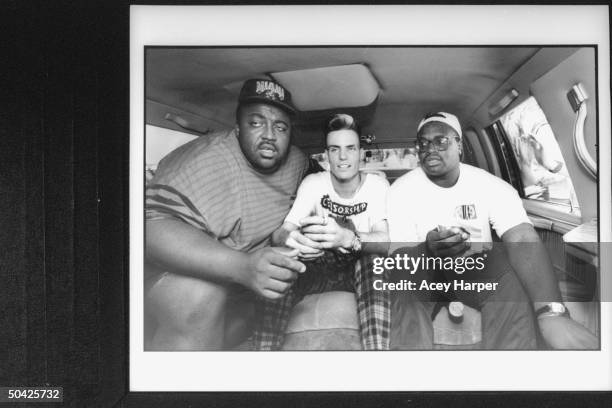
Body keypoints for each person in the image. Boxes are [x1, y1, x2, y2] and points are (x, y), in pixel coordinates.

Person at [387, 111, 598, 349]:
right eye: (423, 143)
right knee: (402, 276)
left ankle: (510, 374)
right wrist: (427, 248)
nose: (430, 148)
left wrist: (552, 312)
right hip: (426, 277)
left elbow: (521, 236)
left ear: (459, 146)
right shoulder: (401, 189)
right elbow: (401, 256)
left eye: (440, 140)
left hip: (476, 275)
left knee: (504, 263)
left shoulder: (489, 185)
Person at [145, 78, 310, 350]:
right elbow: (150, 229)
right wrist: (242, 267)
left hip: (241, 275)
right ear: (237, 128)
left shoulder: (298, 162)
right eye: (256, 123)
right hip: (162, 269)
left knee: (244, 319)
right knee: (200, 297)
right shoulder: (202, 161)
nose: (269, 134)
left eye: (280, 127)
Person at [256, 113, 391, 350]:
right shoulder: (314, 183)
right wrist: (293, 241)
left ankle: (377, 359)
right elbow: (280, 233)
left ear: (361, 153)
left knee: (373, 262)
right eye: (334, 149)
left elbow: (385, 241)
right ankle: (262, 362)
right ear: (327, 154)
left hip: (359, 271)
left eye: (350, 148)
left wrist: (349, 238)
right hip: (319, 267)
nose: (342, 157)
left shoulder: (378, 186)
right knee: (282, 258)